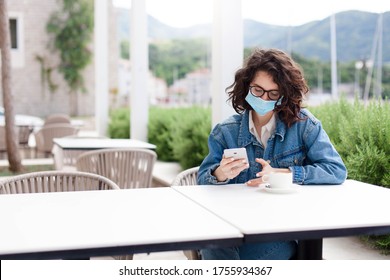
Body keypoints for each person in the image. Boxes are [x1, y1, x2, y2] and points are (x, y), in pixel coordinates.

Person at [197, 48, 347, 260]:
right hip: (232, 224)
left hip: (281, 228)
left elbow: (336, 170)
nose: (264, 98)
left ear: (285, 95)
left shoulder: (304, 126)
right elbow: (201, 182)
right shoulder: (225, 132)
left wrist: (285, 174)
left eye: (273, 93)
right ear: (246, 86)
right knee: (214, 243)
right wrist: (220, 174)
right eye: (258, 90)